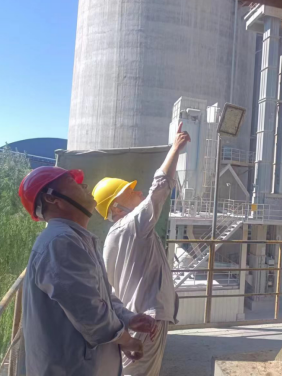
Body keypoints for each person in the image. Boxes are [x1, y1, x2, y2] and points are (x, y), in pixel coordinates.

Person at [19, 166, 156, 376]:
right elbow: (89, 312)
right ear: (52, 198)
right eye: (72, 182)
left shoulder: (75, 238)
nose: (83, 185)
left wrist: (127, 317)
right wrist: (127, 340)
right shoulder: (61, 242)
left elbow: (100, 295)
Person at [92, 123, 190, 376]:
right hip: (147, 321)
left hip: (135, 319)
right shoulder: (132, 225)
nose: (137, 191)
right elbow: (159, 188)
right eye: (129, 191)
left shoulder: (115, 235)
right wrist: (175, 148)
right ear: (116, 207)